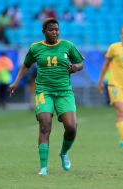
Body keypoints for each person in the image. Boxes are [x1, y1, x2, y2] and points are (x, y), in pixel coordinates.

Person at [8, 18, 84, 176]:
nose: (55, 32)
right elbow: (26, 65)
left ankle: (63, 153)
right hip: (44, 91)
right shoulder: (36, 48)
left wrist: (76, 67)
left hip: (64, 92)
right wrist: (15, 82)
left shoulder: (67, 46)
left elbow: (80, 63)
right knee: (45, 124)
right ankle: (43, 167)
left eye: (57, 29)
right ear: (44, 32)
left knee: (71, 127)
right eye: (51, 30)